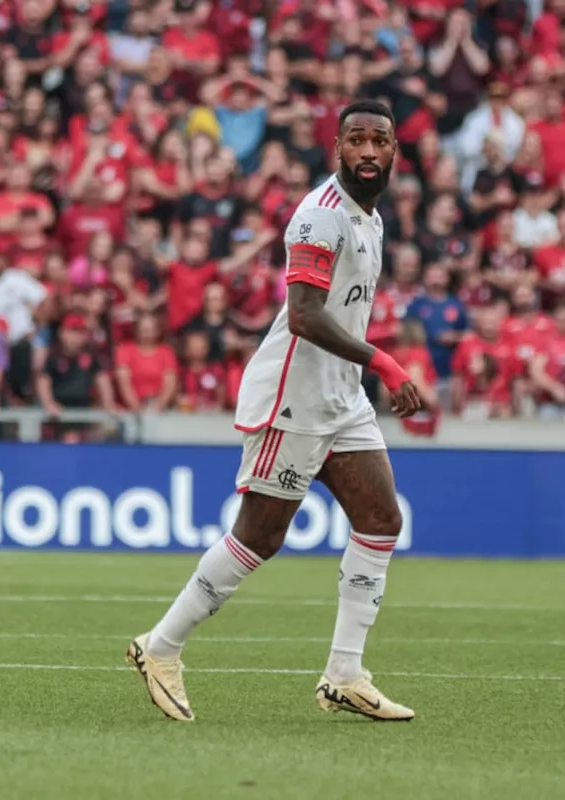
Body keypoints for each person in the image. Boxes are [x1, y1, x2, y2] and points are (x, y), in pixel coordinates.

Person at [127, 100, 423, 723]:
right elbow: (304, 316)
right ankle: (160, 646)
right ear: (336, 148)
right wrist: (386, 364)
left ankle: (345, 672)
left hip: (341, 400)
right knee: (260, 536)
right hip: (294, 399)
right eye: (357, 140)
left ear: (395, 151)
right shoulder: (319, 218)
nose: (369, 151)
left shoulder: (368, 220)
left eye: (380, 141)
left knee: (380, 519)